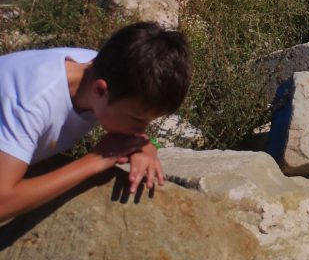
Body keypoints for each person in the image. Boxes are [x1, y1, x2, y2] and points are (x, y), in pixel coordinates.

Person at [0, 22, 192, 221]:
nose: (142, 130)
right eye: (137, 119)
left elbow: (130, 118)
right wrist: (94, 161)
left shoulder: (107, 69)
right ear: (100, 90)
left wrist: (145, 146)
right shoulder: (31, 104)